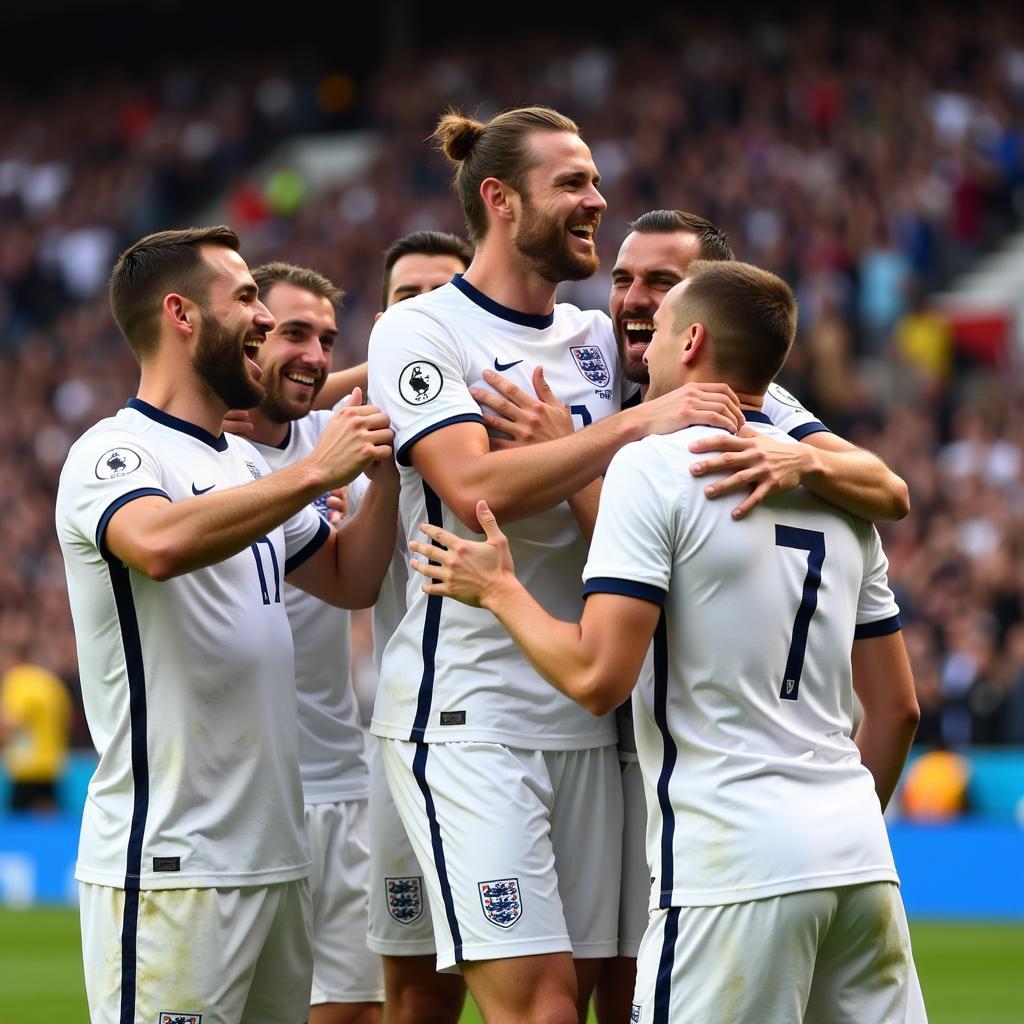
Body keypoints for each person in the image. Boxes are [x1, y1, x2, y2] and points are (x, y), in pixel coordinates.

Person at [410, 259, 927, 1024]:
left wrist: (500, 589)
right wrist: (826, 840)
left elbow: (596, 677)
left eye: (658, 335)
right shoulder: (840, 494)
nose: (641, 350)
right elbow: (899, 711)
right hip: (860, 861)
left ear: (690, 343)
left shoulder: (651, 468)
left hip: (732, 864)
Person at [366, 107, 745, 1024]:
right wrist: (621, 426)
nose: (597, 200)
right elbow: (471, 485)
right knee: (535, 1005)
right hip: (469, 718)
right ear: (500, 200)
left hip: (595, 725)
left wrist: (821, 457)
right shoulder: (422, 332)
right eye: (573, 183)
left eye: (595, 181)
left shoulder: (590, 339)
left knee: (599, 1003)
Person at [55, 226, 395, 1024]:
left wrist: (383, 479)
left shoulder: (245, 465)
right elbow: (159, 543)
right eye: (245, 298)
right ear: (180, 314)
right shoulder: (116, 454)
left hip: (275, 859)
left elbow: (348, 579)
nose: (264, 322)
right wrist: (316, 470)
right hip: (174, 865)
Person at [243, 260, 402, 1024]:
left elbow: (353, 583)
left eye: (327, 339)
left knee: (353, 1013)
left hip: (339, 781)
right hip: (236, 798)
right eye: (291, 330)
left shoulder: (333, 437)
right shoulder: (194, 452)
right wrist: (314, 476)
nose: (313, 353)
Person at [354, 231, 474, 1024]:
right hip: (407, 731)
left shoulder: (512, 403)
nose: (427, 310)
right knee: (416, 994)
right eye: (408, 298)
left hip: (542, 728)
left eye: (444, 294)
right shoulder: (343, 435)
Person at [0, 650, 71, 813]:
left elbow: (10, 725)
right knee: (49, 827)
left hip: (28, 770)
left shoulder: (19, 681)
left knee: (20, 831)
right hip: (54, 767)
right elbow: (67, 720)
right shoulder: (52, 683)